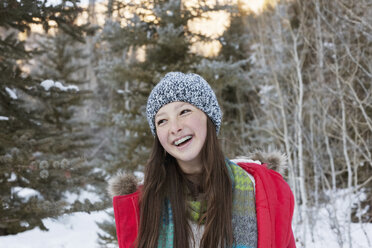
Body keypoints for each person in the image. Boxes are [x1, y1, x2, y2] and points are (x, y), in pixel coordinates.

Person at [109, 72, 296, 248]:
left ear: (209, 116)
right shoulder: (143, 203)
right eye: (162, 121)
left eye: (184, 112)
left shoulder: (262, 189)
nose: (174, 128)